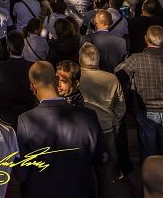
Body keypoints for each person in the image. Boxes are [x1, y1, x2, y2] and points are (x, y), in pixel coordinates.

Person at [16, 61, 109, 198]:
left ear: (32, 88)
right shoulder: (88, 116)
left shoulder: (26, 121)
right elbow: (104, 162)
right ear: (56, 80)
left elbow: (21, 174)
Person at [114, 25, 163, 161]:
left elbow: (118, 72)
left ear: (146, 39)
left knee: (148, 153)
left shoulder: (137, 59)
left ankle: (149, 179)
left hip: (145, 110)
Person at [78, 43, 125, 163]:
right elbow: (120, 105)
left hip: (83, 128)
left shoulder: (76, 79)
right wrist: (113, 120)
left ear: (80, 59)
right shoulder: (111, 78)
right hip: (106, 127)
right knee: (108, 163)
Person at [0, 31, 37, 128]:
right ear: (23, 46)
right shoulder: (32, 67)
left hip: (5, 116)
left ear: (8, 47)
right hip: (27, 115)